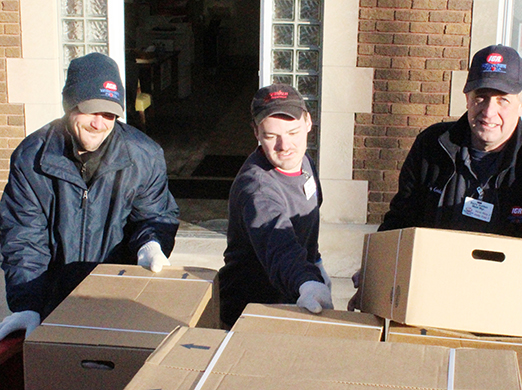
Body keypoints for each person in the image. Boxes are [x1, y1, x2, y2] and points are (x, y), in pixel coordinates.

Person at [349, 45, 522, 375]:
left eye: (502, 99)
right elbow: (400, 219)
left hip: (510, 334)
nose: (488, 110)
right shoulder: (433, 146)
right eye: (481, 96)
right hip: (433, 321)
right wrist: (376, 275)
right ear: (467, 96)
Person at [0, 53, 180, 341]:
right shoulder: (32, 157)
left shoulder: (144, 156)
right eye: (91, 111)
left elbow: (154, 216)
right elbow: (24, 237)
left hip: (119, 296)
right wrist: (28, 304)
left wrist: (151, 242)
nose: (100, 123)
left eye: (109, 114)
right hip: (53, 299)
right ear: (69, 105)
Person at [218, 84, 333, 328]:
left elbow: (307, 223)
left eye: (293, 132)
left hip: (296, 297)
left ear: (308, 123)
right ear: (256, 133)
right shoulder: (257, 189)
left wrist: (317, 263)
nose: (285, 145)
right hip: (252, 312)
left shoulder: (305, 163)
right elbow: (277, 243)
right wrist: (308, 281)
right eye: (271, 136)